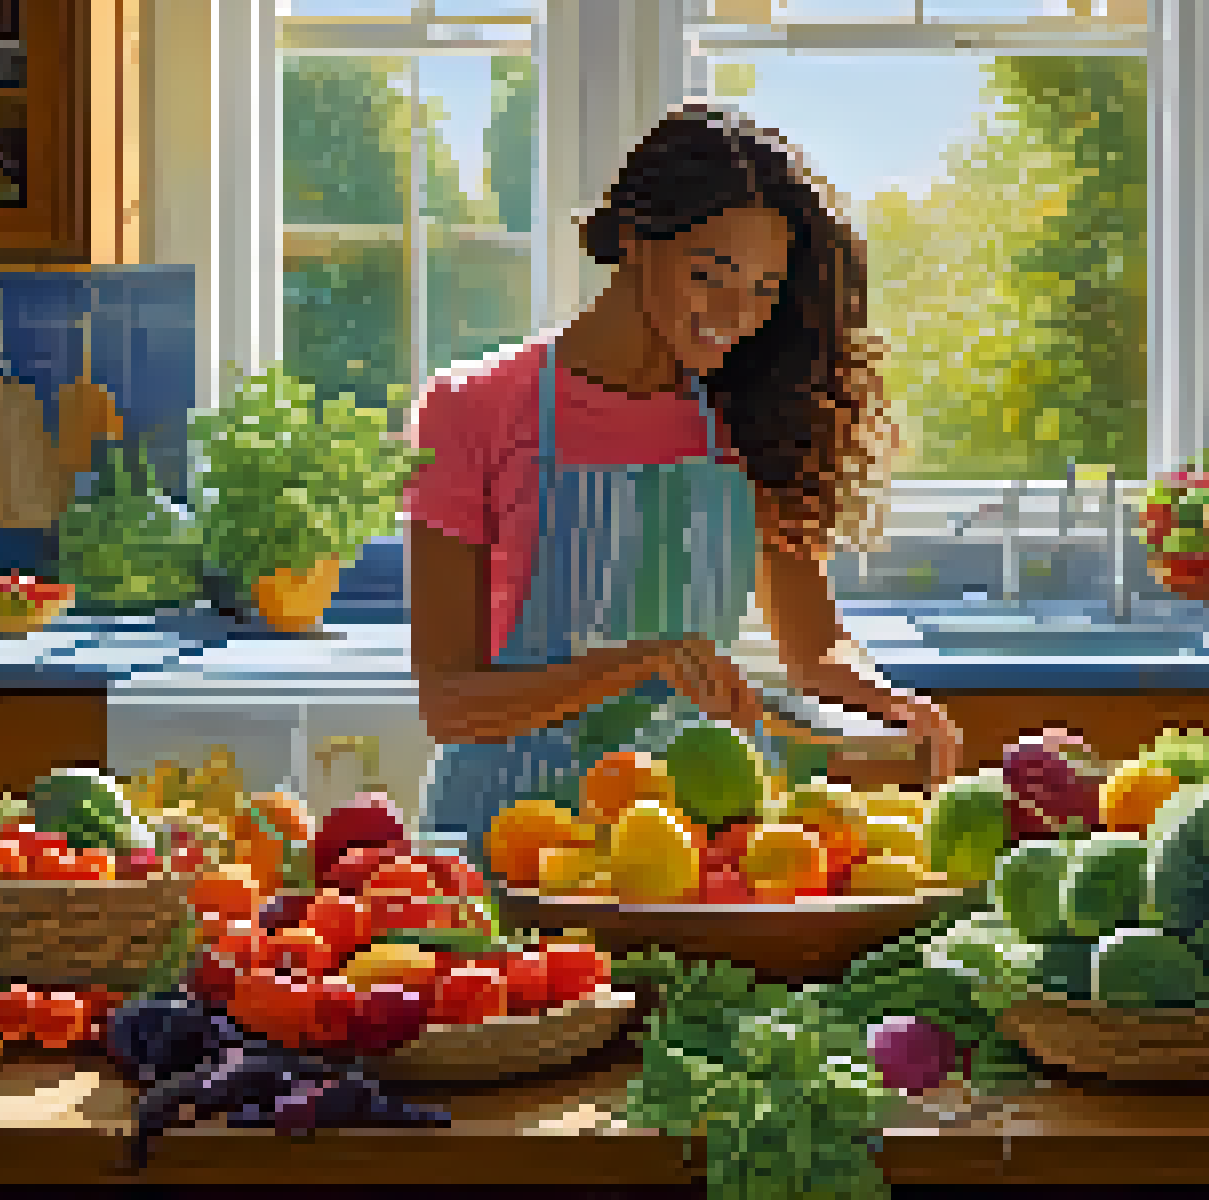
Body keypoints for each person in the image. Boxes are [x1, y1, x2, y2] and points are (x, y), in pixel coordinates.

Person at [403, 102, 962, 863]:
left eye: (764, 290)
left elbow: (814, 647)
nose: (736, 315)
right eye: (711, 276)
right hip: (513, 838)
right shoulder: (474, 408)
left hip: (691, 840)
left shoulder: (751, 414)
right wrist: (637, 662)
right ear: (634, 239)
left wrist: (885, 702)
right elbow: (448, 702)